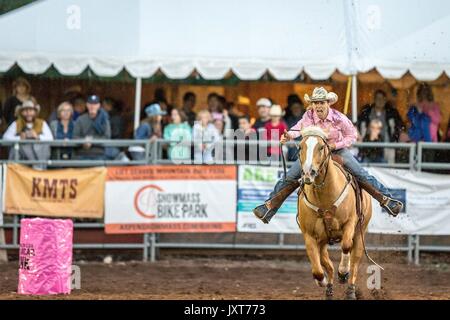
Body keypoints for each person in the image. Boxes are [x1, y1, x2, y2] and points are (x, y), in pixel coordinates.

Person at [252, 87, 404, 224]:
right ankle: (269, 207)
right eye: (315, 103)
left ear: (327, 103)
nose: (318, 106)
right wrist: (289, 135)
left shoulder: (339, 118)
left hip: (337, 151)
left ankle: (386, 200)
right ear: (312, 104)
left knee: (360, 173)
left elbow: (352, 136)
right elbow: (298, 129)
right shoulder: (309, 115)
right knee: (290, 176)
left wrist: (335, 145)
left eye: (321, 103)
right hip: (315, 151)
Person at [3, 100, 53, 167]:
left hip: (39, 156)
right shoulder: (16, 123)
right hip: (22, 158)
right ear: (21, 112)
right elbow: (5, 138)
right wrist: (19, 138)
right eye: (25, 111)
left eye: (31, 110)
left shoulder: (42, 123)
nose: (28, 113)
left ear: (35, 112)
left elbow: (50, 139)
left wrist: (37, 137)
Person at [358, 89, 403, 163]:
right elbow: (360, 125)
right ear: (374, 99)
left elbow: (399, 126)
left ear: (385, 100)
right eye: (378, 98)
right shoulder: (367, 112)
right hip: (369, 144)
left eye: (382, 98)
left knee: (386, 166)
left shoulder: (391, 113)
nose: (380, 100)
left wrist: (395, 138)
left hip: (386, 144)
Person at [73, 94, 111, 160]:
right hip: (82, 153)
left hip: (99, 153)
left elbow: (107, 137)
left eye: (95, 104)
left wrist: (92, 140)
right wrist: (84, 141)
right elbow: (75, 137)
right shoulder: (80, 119)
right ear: (87, 105)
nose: (92, 106)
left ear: (99, 106)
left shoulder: (104, 120)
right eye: (90, 104)